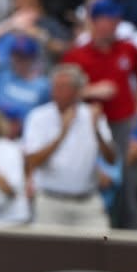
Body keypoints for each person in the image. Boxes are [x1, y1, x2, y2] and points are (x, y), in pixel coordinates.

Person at [62, 0, 137, 229]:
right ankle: (95, 230)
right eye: (108, 19)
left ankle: (130, 235)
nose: (114, 24)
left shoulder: (128, 49)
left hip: (122, 122)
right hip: (88, 126)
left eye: (116, 19)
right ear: (95, 22)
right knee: (92, 176)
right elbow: (62, 92)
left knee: (127, 179)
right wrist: (90, 91)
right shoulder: (77, 55)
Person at [23, 65, 116, 230]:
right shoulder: (38, 117)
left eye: (63, 87)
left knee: (102, 248)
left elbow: (111, 158)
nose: (56, 92)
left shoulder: (92, 115)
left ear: (77, 91)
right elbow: (32, 161)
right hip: (50, 201)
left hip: (87, 201)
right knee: (46, 253)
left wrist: (96, 131)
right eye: (55, 86)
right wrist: (62, 133)